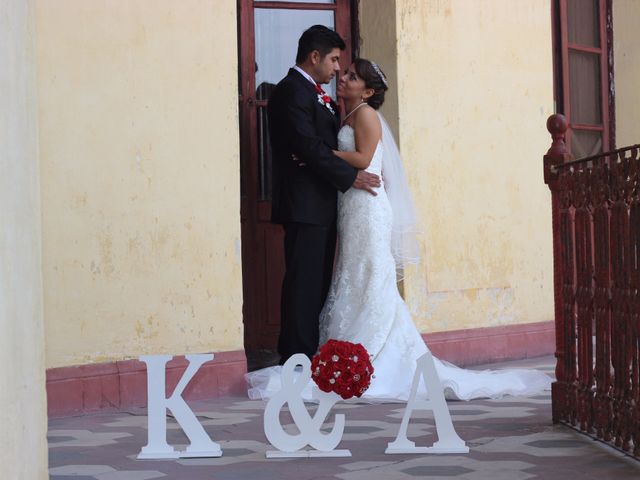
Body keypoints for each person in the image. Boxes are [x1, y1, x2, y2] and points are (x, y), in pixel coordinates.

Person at [247, 58, 551, 401]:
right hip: (349, 207)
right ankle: (343, 355)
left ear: (369, 90)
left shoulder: (365, 115)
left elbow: (363, 160)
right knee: (352, 274)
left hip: (368, 207)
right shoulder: (344, 114)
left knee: (372, 273)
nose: (343, 78)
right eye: (343, 72)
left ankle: (373, 352)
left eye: (352, 76)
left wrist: (323, 152)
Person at [268, 26, 381, 365]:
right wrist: (350, 176)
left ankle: (309, 353)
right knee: (303, 284)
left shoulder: (316, 93)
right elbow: (306, 146)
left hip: (322, 204)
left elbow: (323, 147)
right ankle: (295, 358)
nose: (336, 69)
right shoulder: (291, 91)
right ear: (314, 57)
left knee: (317, 285)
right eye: (333, 60)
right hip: (303, 204)